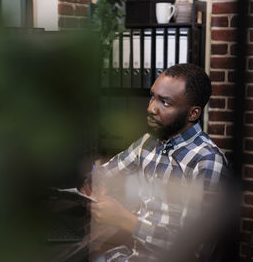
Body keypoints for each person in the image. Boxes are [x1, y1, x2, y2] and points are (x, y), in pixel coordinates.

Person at [84, 63, 229, 262]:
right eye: (153, 96)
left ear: (193, 114)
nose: (151, 108)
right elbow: (104, 172)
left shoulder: (207, 162)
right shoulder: (148, 142)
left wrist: (125, 220)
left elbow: (193, 247)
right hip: (132, 254)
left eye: (165, 103)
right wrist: (96, 181)